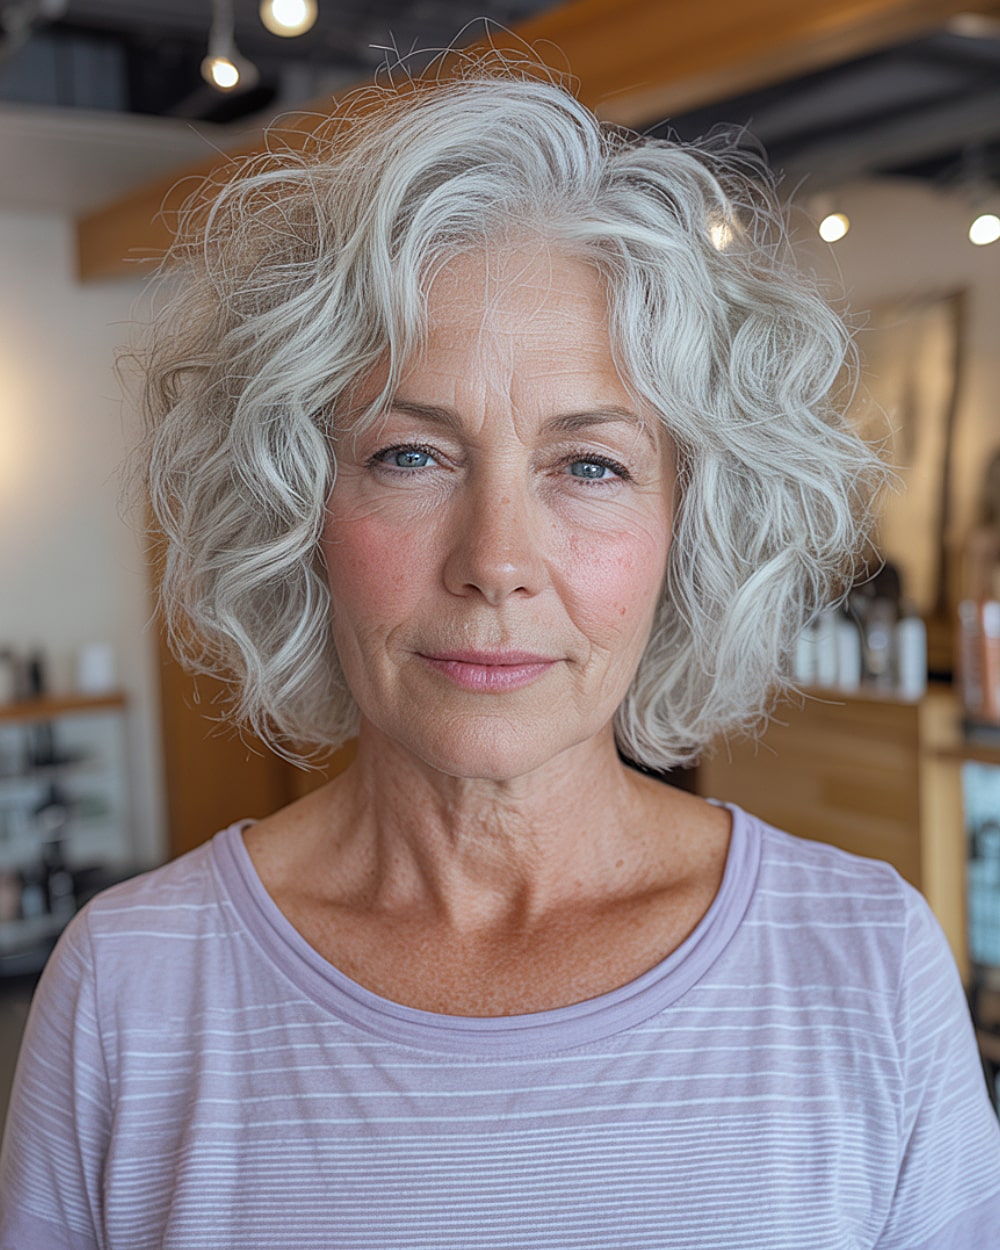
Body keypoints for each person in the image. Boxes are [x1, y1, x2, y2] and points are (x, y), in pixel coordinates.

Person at [2, 56, 998, 1250]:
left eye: (590, 465)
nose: (496, 560)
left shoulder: (867, 964)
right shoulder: (127, 989)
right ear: (297, 506)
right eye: (410, 455)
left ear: (688, 527)